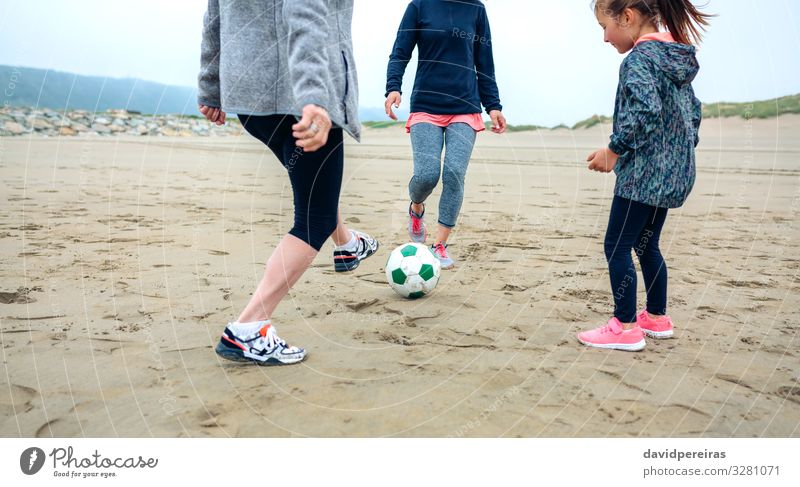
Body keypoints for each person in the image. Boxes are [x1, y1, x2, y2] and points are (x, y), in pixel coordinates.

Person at [197, 0, 378, 365]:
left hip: (249, 99)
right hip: (293, 98)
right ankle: (249, 327)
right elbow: (305, 13)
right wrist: (314, 96)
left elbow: (214, 15)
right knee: (314, 217)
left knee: (314, 191)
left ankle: (347, 244)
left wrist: (210, 87)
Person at [577, 0, 712, 351]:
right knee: (646, 244)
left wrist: (614, 149)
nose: (605, 38)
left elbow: (645, 110)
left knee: (616, 246)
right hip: (674, 174)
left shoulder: (638, 59)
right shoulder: (676, 59)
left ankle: (623, 328)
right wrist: (677, 152)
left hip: (642, 175)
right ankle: (655, 317)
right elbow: (693, 114)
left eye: (605, 27)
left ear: (628, 17)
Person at [385, 0, 507, 269]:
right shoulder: (419, 6)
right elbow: (400, 51)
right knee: (427, 174)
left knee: (454, 173)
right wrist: (393, 87)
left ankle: (439, 244)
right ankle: (416, 207)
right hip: (426, 106)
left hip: (465, 107)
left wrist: (494, 105)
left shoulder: (476, 9)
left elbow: (484, 62)